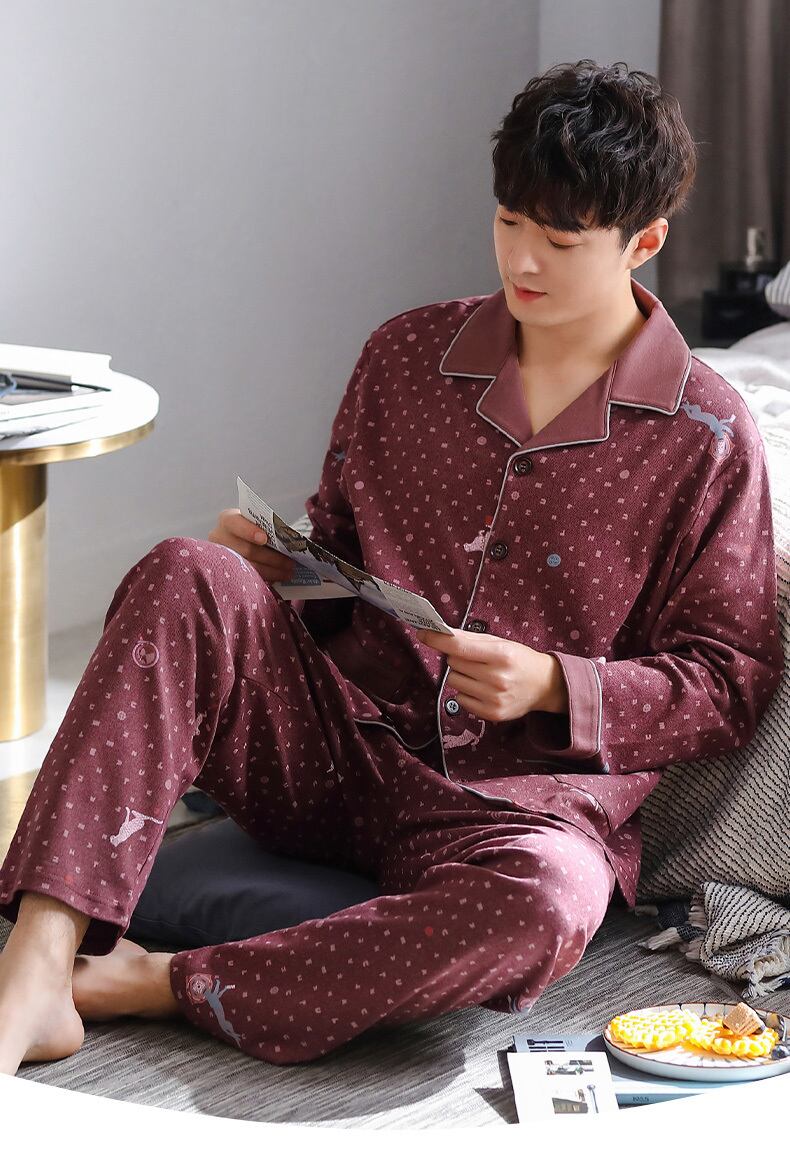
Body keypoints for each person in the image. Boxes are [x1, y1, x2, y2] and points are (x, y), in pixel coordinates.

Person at [0, 59, 783, 1077]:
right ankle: (37, 964)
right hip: (337, 753)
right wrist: (281, 570)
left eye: (560, 240)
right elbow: (340, 562)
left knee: (550, 906)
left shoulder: (708, 436)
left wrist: (556, 685)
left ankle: (158, 980)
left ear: (644, 243)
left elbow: (730, 681)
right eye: (508, 220)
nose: (522, 258)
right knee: (187, 568)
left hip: (514, 814)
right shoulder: (405, 356)